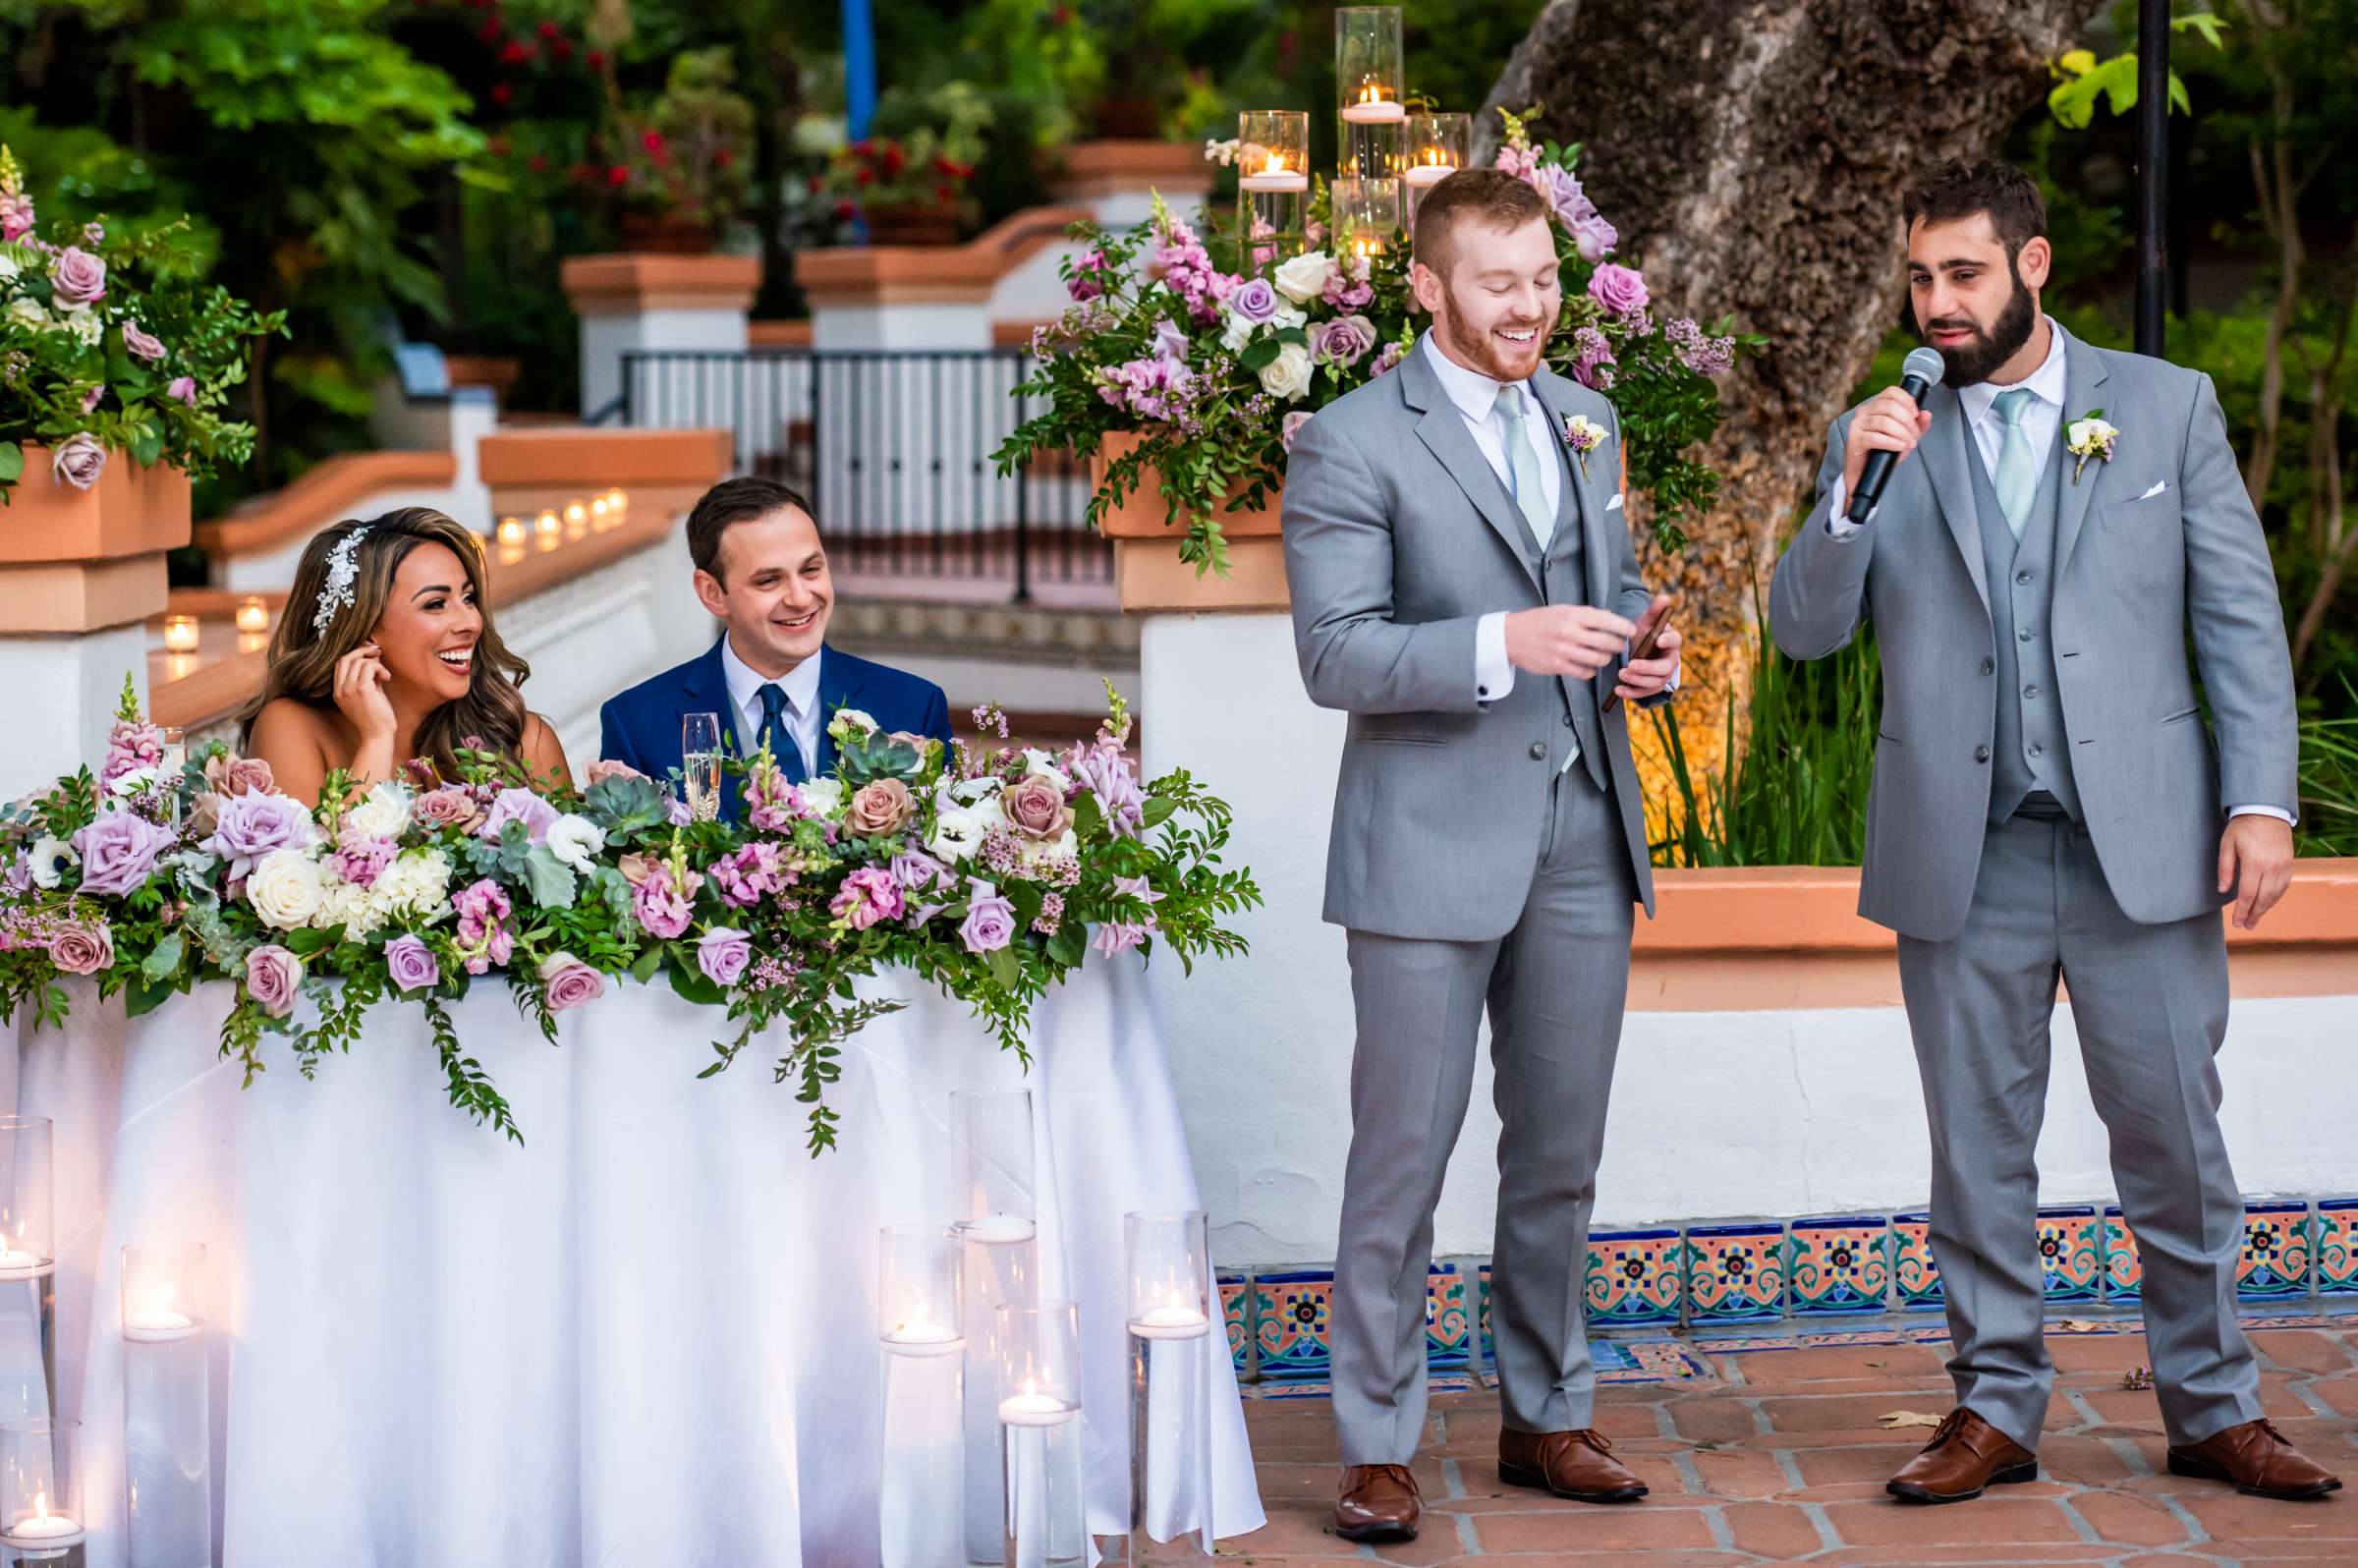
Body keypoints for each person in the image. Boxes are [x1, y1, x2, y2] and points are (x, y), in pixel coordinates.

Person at [1769, 159, 2339, 1505]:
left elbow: (2240, 619)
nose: (1937, 303)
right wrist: (1850, 489)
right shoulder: (1888, 435)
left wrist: (2261, 802)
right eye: (1920, 278)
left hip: (2141, 842)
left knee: (2175, 1143)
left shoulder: (2165, 406)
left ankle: (2211, 1405)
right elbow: (1804, 629)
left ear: (2029, 266)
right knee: (1976, 1148)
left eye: (1962, 273)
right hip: (1963, 848)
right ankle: (1994, 1408)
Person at [1280, 166, 1683, 1545]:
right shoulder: (1348, 440)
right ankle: (1376, 1444)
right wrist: (1497, 645)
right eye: (1502, 283)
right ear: (1428, 289)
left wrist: (1646, 655)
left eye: (1546, 279)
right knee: (1402, 1158)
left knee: (1560, 1155)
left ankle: (1546, 1416)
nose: (1532, 307)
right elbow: (1335, 655)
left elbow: (1610, 600)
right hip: (1426, 848)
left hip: (1583, 829)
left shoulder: (1589, 418)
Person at [599, 476, 953, 813]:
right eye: (769, 580)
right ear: (712, 593)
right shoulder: (637, 725)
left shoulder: (913, 707)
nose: (801, 598)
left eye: (811, 570)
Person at [244, 507, 569, 803]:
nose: (472, 622)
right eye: (435, 604)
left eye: (468, 598)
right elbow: (325, 866)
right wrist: (376, 740)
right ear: (366, 625)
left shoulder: (524, 742)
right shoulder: (291, 728)